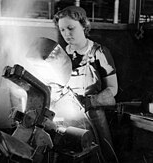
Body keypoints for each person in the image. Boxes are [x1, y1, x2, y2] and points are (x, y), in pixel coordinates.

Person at [53, 5, 118, 162]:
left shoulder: (99, 53)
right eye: (62, 30)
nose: (66, 34)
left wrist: (90, 101)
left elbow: (113, 89)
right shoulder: (61, 54)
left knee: (100, 154)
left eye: (71, 28)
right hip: (69, 117)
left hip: (93, 115)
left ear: (83, 25)